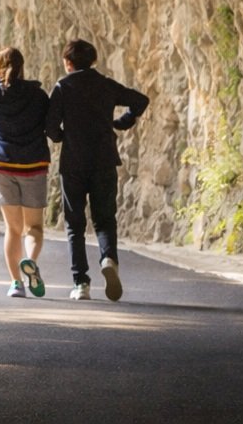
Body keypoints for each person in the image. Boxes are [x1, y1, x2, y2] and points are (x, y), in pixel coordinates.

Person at [45, 39, 149, 301]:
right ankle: (109, 259)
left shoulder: (63, 87)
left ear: (68, 63)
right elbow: (140, 100)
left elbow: (50, 126)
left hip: (74, 164)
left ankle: (81, 283)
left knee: (75, 224)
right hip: (104, 161)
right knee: (105, 219)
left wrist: (62, 137)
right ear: (93, 61)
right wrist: (122, 122)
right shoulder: (106, 84)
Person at [0, 46, 51, 298]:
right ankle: (31, 261)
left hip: (2, 167)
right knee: (34, 228)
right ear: (22, 66)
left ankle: (16, 283)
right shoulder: (38, 95)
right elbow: (49, 123)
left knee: (13, 229)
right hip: (33, 166)